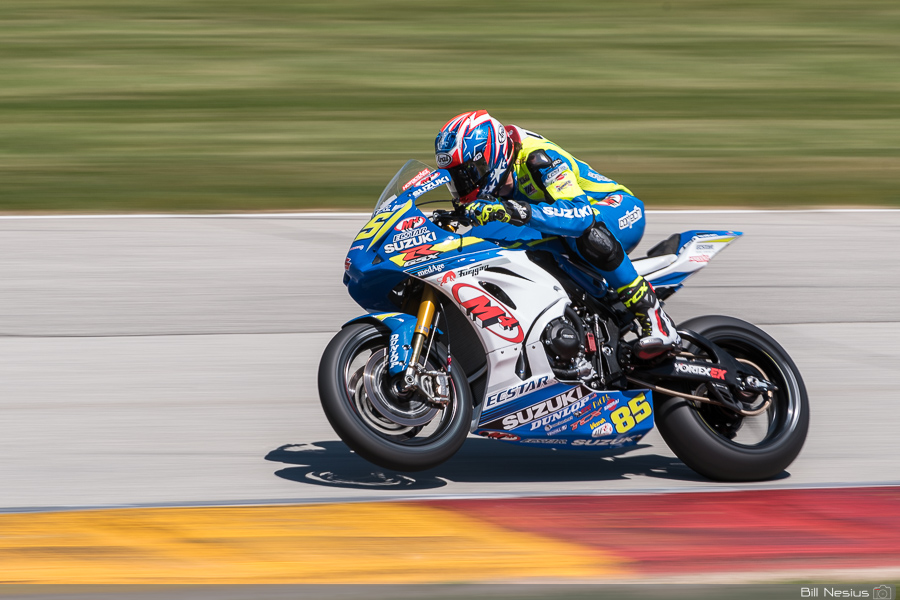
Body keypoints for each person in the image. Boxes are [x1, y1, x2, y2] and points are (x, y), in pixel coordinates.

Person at [434, 110, 680, 360]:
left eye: (469, 172)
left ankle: (653, 314)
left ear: (492, 155)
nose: (464, 184)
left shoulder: (538, 158)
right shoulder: (492, 184)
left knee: (585, 232)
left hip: (617, 210)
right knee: (485, 243)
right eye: (455, 178)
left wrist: (514, 209)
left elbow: (580, 215)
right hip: (558, 224)